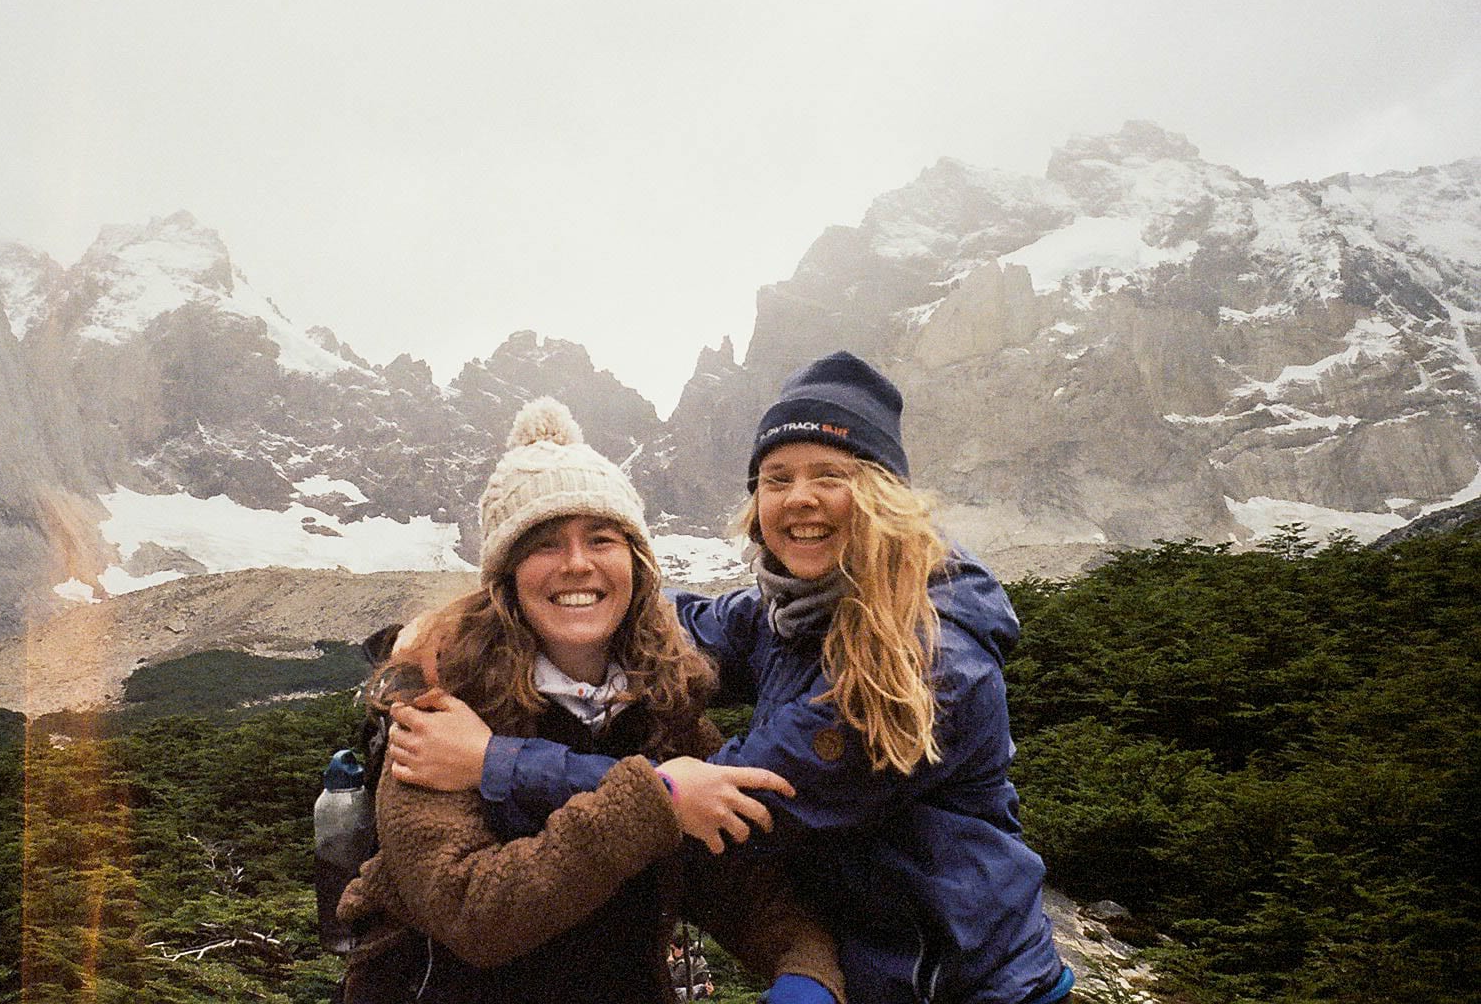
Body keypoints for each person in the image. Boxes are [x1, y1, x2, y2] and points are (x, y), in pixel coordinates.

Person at [392, 353, 1074, 1004]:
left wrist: (495, 761)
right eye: (777, 479)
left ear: (882, 494)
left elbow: (725, 803)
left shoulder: (926, 660)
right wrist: (466, 616)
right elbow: (662, 618)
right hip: (878, 971)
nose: (799, 499)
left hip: (959, 982)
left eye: (829, 475)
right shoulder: (793, 610)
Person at [335, 396, 845, 1004]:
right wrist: (653, 802)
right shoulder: (439, 705)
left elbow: (741, 887)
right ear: (505, 576)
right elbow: (472, 911)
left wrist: (807, 969)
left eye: (602, 539)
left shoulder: (662, 706)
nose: (578, 565)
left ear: (636, 564)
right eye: (545, 544)